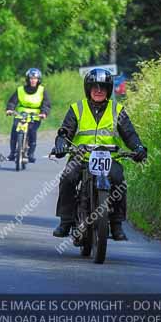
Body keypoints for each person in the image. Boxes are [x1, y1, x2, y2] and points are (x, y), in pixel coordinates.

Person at [52, 68, 147, 242]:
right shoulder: (77, 108)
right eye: (94, 87)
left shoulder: (117, 110)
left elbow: (130, 134)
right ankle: (65, 221)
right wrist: (60, 145)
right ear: (88, 89)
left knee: (118, 180)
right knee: (67, 177)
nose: (98, 90)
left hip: (109, 159)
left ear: (108, 90)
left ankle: (116, 224)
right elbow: (65, 132)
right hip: (81, 158)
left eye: (102, 87)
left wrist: (139, 147)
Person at [5, 68, 50, 163]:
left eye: (35, 78)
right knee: (14, 131)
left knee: (32, 131)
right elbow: (12, 101)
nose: (33, 80)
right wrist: (10, 109)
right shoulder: (20, 90)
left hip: (35, 116)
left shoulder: (42, 90)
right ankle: (12, 153)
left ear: (38, 80)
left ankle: (31, 153)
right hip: (20, 115)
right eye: (31, 78)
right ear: (28, 79)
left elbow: (46, 104)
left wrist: (44, 113)